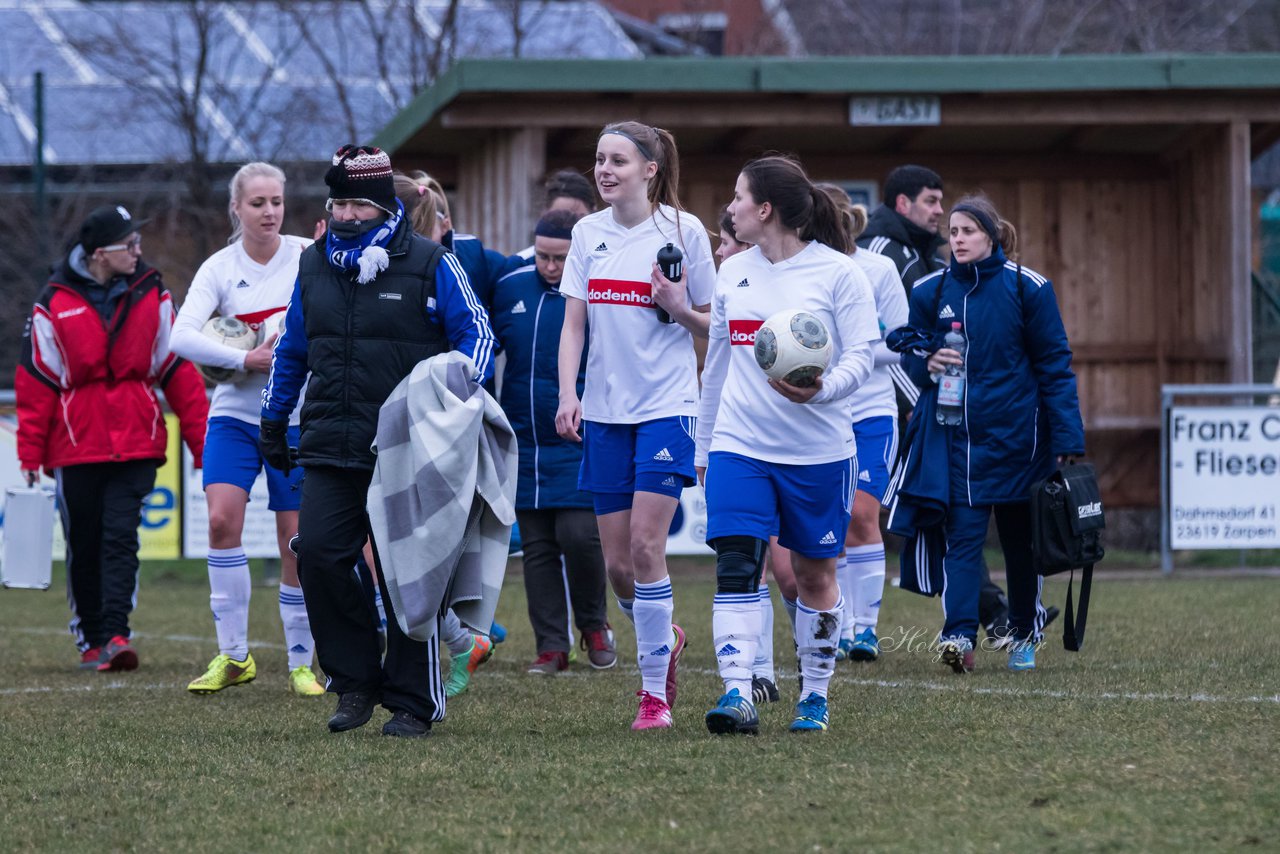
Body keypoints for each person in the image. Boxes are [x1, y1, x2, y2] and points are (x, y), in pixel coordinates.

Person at [260, 145, 495, 738]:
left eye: (358, 204)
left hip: (406, 449)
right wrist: (273, 417)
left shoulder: (431, 262)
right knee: (316, 554)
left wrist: (453, 400)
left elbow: (479, 341)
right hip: (329, 442)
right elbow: (292, 347)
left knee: (405, 577)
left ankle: (414, 700)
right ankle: (355, 680)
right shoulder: (313, 265)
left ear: (385, 205)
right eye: (337, 202)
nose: (345, 215)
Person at [697, 156, 880, 735]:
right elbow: (719, 366)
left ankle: (815, 698)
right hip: (739, 443)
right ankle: (738, 692)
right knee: (736, 563)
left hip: (818, 452)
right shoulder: (732, 273)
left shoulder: (839, 274)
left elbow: (862, 358)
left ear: (765, 209)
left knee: (813, 577)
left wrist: (821, 392)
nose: (729, 208)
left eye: (737, 197)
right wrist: (704, 448)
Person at [555, 120, 714, 731]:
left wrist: (679, 309)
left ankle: (654, 697)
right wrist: (569, 392)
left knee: (649, 547)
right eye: (599, 159)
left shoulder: (684, 231)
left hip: (667, 408)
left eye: (618, 160)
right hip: (604, 414)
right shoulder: (586, 232)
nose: (604, 170)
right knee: (619, 566)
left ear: (650, 169)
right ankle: (663, 637)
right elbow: (574, 325)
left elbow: (716, 324)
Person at [894, 194, 1084, 673]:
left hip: (1023, 442)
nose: (957, 239)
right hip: (957, 443)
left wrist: (1067, 440)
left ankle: (1023, 634)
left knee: (1022, 546)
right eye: (953, 232)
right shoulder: (930, 291)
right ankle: (959, 636)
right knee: (962, 542)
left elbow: (1055, 368)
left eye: (968, 231)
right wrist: (928, 362)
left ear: (991, 235)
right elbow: (910, 360)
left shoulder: (1029, 288)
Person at [16, 205, 209, 671]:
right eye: (131, 244)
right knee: (84, 543)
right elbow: (37, 381)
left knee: (121, 538)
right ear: (100, 254)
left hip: (137, 441)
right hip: (74, 446)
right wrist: (30, 452)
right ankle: (91, 639)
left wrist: (204, 445)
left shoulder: (155, 295)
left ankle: (117, 635)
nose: (140, 251)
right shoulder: (53, 302)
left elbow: (177, 370)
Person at [170, 162, 323, 697]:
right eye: (257, 203)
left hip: (296, 419)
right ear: (236, 208)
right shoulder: (219, 267)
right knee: (219, 521)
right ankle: (234, 657)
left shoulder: (308, 253)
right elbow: (180, 337)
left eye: (277, 201)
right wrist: (244, 361)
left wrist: (331, 256)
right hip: (234, 416)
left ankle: (302, 663)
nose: (270, 212)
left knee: (295, 541)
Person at [857, 165, 1023, 642]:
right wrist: (918, 401)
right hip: (898, 403)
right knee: (917, 514)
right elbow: (901, 342)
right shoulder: (886, 253)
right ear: (903, 204)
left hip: (931, 402)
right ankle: (846, 622)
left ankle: (991, 614)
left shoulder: (921, 253)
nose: (939, 213)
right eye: (932, 202)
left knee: (950, 518)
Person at [490, 209, 615, 675]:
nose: (550, 266)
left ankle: (595, 625)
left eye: (560, 258)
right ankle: (551, 647)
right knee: (538, 547)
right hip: (523, 439)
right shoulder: (509, 287)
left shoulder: (595, 292)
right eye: (543, 255)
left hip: (579, 433)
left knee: (580, 535)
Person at [392, 172, 496, 699]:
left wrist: (451, 392)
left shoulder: (442, 265)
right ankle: (460, 639)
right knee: (388, 552)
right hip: (378, 424)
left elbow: (479, 338)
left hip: (431, 426)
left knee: (417, 550)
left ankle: (443, 646)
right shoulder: (357, 267)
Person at [815, 185, 909, 664]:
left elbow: (901, 343)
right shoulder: (804, 271)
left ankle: (865, 630)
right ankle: (843, 622)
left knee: (861, 515)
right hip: (820, 413)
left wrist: (853, 349)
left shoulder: (879, 269)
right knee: (833, 523)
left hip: (871, 409)